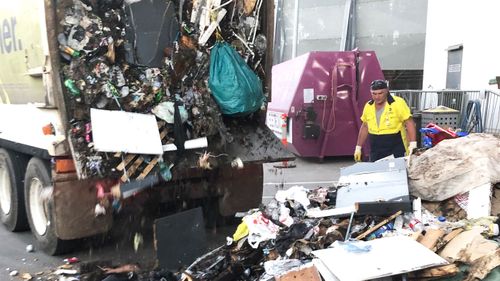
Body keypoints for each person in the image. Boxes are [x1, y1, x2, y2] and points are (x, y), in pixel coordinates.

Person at [354, 79, 417, 162]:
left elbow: (409, 123)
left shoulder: (398, 103)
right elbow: (365, 126)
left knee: (396, 171)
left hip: (395, 145)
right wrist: (358, 147)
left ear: (387, 91)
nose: (377, 97)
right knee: (376, 172)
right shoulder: (368, 106)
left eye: (380, 93)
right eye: (374, 93)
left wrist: (413, 144)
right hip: (375, 146)